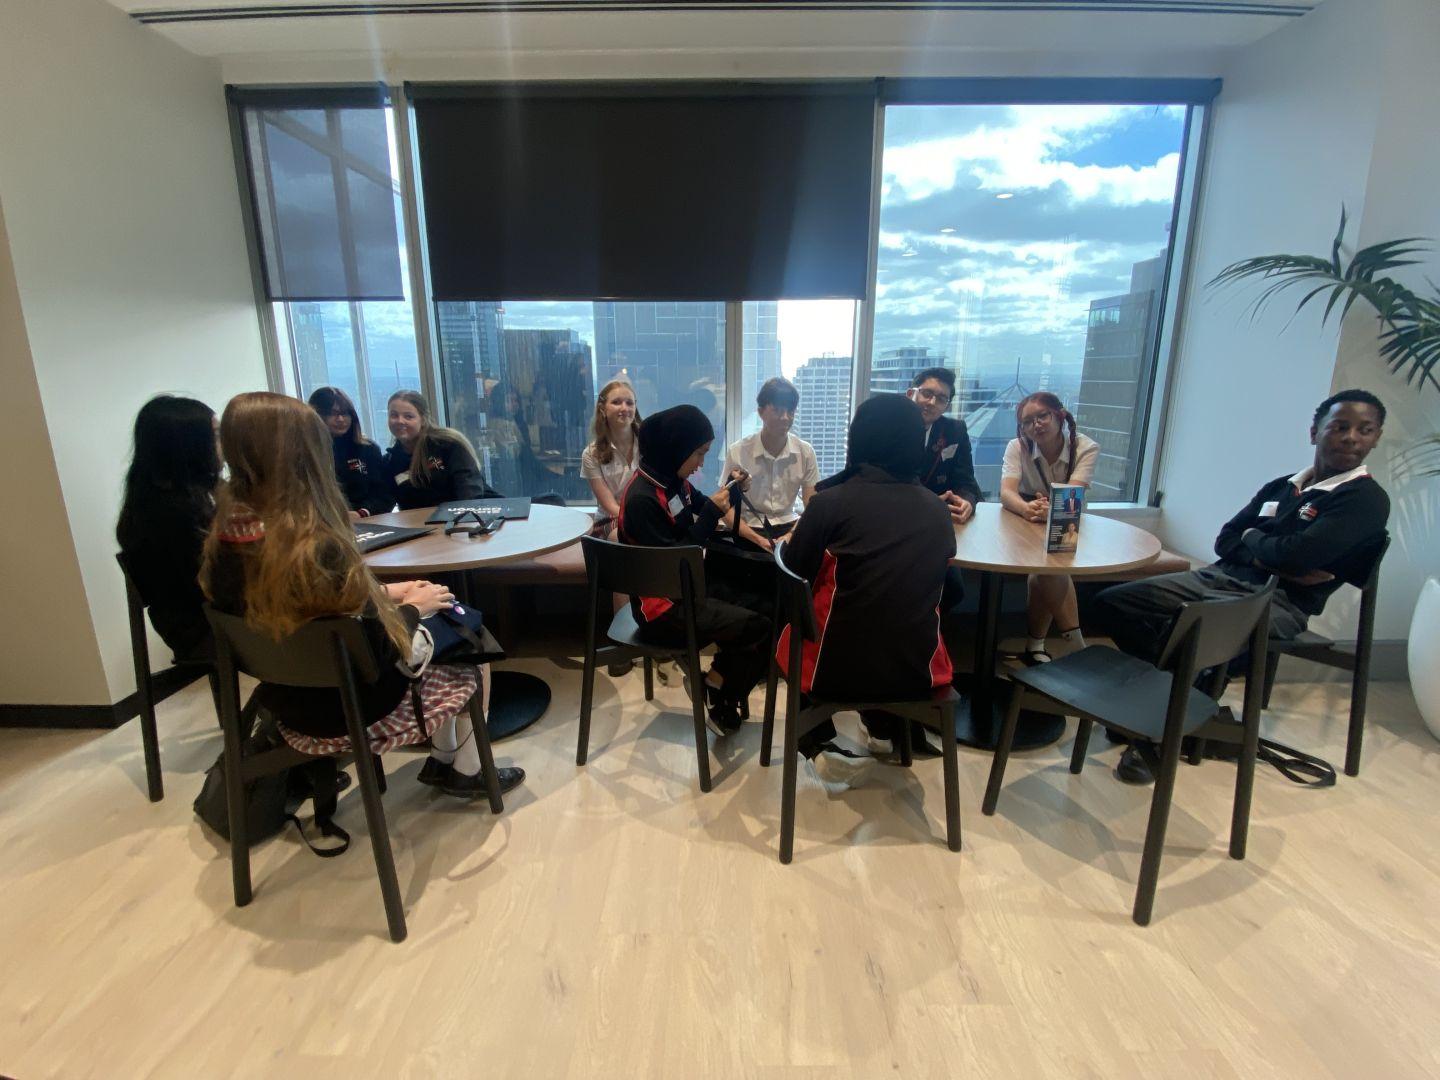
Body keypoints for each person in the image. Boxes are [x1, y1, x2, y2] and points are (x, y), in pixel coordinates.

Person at [201, 391, 523, 800]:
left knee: (441, 609)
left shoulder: (225, 542)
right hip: (356, 703)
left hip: (285, 701)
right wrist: (413, 608)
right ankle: (466, 769)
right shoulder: (317, 544)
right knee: (469, 634)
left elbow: (317, 607)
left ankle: (445, 762)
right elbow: (372, 645)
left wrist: (389, 592)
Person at [1092, 389, 1389, 785]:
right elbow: (1226, 540)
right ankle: (1172, 700)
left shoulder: (1365, 499)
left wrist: (1258, 542)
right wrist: (1265, 551)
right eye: (1340, 427)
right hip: (1217, 577)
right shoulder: (1282, 486)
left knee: (1196, 632)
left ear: (1375, 438)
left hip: (1280, 601)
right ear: (1315, 431)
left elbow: (1296, 557)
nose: (1351, 438)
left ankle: (1157, 735)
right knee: (1112, 603)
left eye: (1365, 430)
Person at [778, 394, 956, 786]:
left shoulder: (829, 504)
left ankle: (816, 743)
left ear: (858, 439)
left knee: (797, 632)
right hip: (915, 670)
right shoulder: (937, 511)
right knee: (885, 627)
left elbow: (794, 576)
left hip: (836, 670)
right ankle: (883, 728)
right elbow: (950, 589)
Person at [618, 404, 771, 735]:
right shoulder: (643, 499)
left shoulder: (672, 481)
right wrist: (712, 514)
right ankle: (721, 696)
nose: (701, 463)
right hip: (662, 610)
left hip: (686, 587)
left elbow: (705, 505)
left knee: (770, 603)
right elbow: (678, 562)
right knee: (759, 627)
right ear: (677, 448)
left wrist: (732, 488)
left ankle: (715, 683)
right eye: (699, 453)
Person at [116, 395, 223, 662]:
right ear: (191, 447)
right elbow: (214, 588)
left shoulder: (152, 502)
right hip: (205, 631)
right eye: (216, 436)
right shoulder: (175, 515)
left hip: (191, 627)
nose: (224, 444)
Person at [998, 391, 1100, 664]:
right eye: (1027, 422)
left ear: (1059, 415)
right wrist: (1026, 508)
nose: (1036, 425)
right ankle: (1064, 647)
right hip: (1026, 516)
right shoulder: (1017, 446)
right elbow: (1007, 493)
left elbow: (1073, 495)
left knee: (1046, 570)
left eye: (1042, 416)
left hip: (1068, 517)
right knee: (1044, 569)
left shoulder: (1085, 447)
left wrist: (1051, 509)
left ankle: (1045, 646)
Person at [722, 376, 820, 548]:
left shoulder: (805, 452)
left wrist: (789, 536)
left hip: (791, 526)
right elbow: (725, 509)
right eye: (777, 410)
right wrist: (759, 540)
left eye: (791, 411)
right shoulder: (738, 451)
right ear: (760, 412)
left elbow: (812, 506)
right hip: (749, 528)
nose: (785, 417)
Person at [383, 389, 499, 510]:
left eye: (408, 416)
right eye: (394, 415)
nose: (400, 421)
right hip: (425, 520)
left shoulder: (447, 444)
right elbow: (385, 502)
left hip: (480, 513)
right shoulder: (390, 462)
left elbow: (469, 491)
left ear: (423, 419)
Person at [307, 386, 395, 519]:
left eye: (345, 413)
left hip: (365, 520)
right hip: (321, 522)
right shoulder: (306, 453)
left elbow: (384, 495)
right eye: (332, 414)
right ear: (317, 416)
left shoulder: (368, 449)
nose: (341, 419)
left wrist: (361, 513)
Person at [909, 367, 981, 524]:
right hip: (900, 516)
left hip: (943, 520)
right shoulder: (889, 428)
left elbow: (965, 481)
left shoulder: (955, 431)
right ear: (910, 394)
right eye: (927, 394)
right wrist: (927, 507)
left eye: (941, 399)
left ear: (947, 407)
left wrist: (966, 502)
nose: (932, 403)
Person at [580, 379, 642, 529]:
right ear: (602, 409)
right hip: (611, 518)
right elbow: (610, 506)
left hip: (646, 515)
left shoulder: (650, 443)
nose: (624, 408)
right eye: (616, 402)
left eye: (629, 403)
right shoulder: (590, 454)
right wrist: (641, 523)